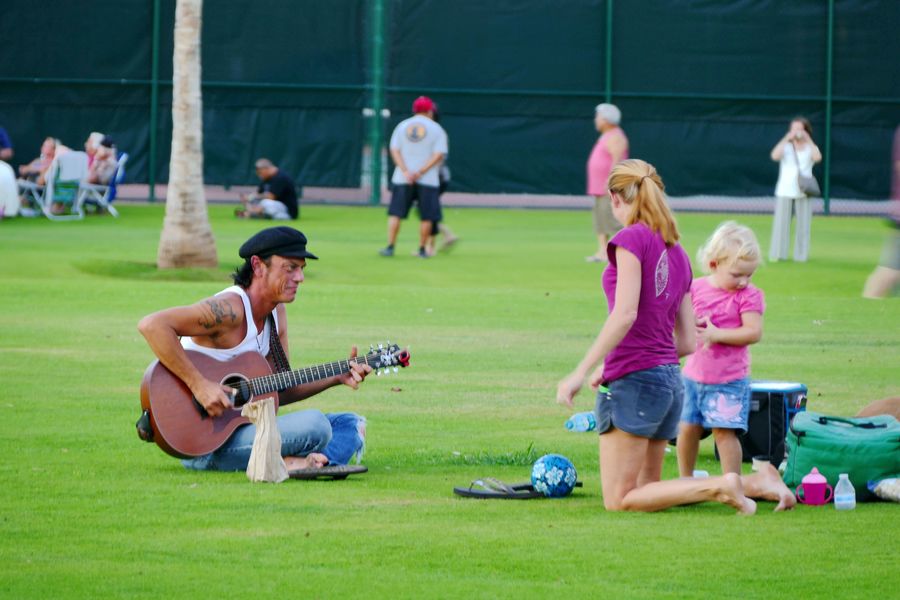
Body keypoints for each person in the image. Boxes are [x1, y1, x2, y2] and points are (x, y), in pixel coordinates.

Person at [556, 159, 795, 513]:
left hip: (636, 384)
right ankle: (757, 482)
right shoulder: (678, 252)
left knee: (618, 500)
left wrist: (581, 370)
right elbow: (686, 342)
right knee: (648, 489)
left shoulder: (629, 240)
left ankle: (724, 484)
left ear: (614, 197)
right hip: (669, 384)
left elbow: (625, 315)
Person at [137, 227, 372, 473]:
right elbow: (152, 325)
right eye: (290, 267)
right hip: (203, 444)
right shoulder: (229, 309)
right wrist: (200, 385)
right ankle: (292, 462)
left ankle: (300, 462)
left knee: (348, 423)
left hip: (243, 430)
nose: (300, 277)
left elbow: (279, 391)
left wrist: (337, 376)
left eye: (302, 268)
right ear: (258, 266)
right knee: (317, 425)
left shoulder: (276, 314)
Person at [677, 222, 764, 477]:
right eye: (737, 275)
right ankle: (685, 480)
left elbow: (753, 332)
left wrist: (717, 334)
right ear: (714, 264)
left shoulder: (749, 295)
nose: (744, 281)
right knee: (687, 429)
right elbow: (680, 319)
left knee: (724, 434)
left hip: (729, 381)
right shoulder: (695, 288)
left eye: (750, 274)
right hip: (693, 377)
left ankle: (732, 484)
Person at [379, 95, 448, 259]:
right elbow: (439, 154)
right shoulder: (436, 128)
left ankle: (390, 246)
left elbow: (394, 150)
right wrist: (420, 172)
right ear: (430, 110)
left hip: (403, 178)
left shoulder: (402, 126)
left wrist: (406, 171)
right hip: (428, 179)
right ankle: (423, 249)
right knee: (427, 216)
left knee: (396, 213)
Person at [769, 117, 822, 262]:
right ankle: (779, 254)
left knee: (803, 226)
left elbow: (817, 158)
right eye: (794, 128)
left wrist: (808, 140)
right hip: (785, 190)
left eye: (800, 129)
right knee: (781, 225)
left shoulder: (811, 147)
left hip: (803, 191)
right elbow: (774, 155)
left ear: (806, 130)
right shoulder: (786, 147)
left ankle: (801, 256)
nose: (797, 132)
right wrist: (787, 138)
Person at [585, 103, 628, 263]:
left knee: (613, 219)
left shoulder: (616, 136)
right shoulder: (606, 135)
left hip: (610, 188)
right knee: (600, 219)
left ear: (607, 120)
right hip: (598, 188)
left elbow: (617, 161)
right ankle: (603, 251)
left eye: (598, 117)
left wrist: (611, 181)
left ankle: (622, 252)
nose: (596, 120)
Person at [423, 103, 458, 256]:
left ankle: (431, 247)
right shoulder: (428, 131)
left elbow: (439, 158)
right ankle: (446, 235)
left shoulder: (436, 132)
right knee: (427, 210)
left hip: (436, 178)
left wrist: (422, 171)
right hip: (432, 177)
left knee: (428, 211)